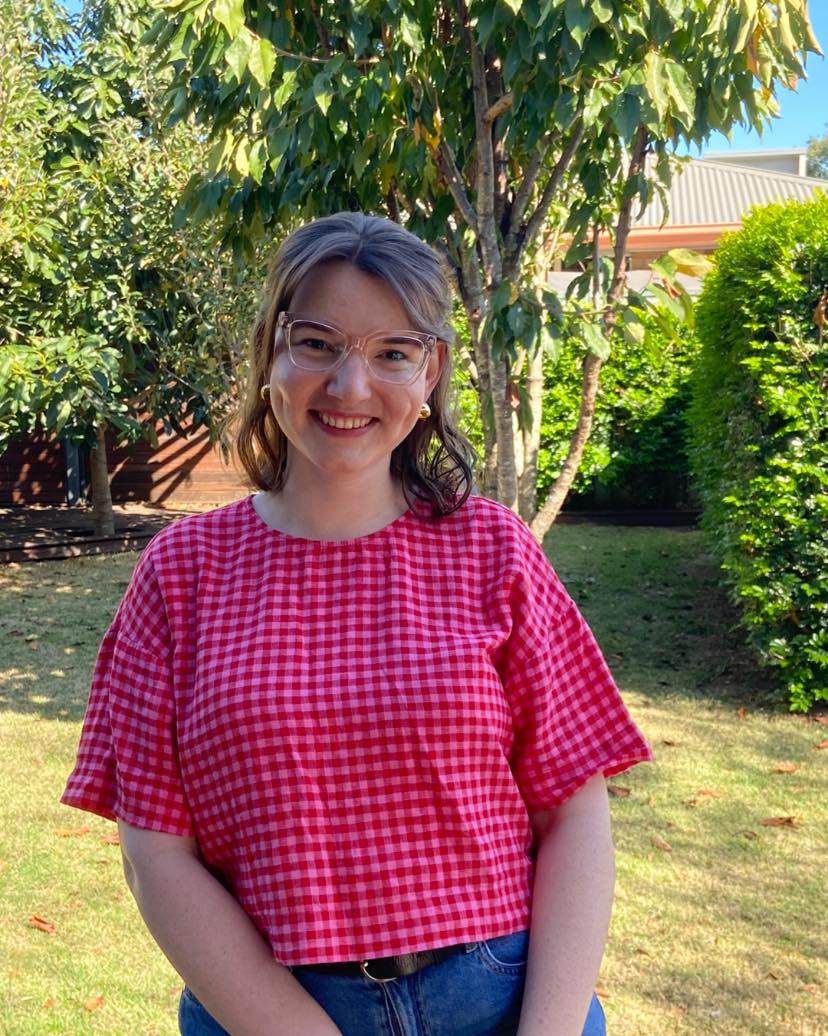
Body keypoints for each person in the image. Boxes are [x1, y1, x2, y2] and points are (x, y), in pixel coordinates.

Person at [62, 211, 652, 1036]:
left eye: (392, 352)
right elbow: (156, 853)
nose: (350, 387)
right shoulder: (180, 571)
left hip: (504, 1000)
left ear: (430, 372)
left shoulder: (494, 550)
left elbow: (574, 810)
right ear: (270, 350)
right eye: (317, 343)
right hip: (268, 1009)